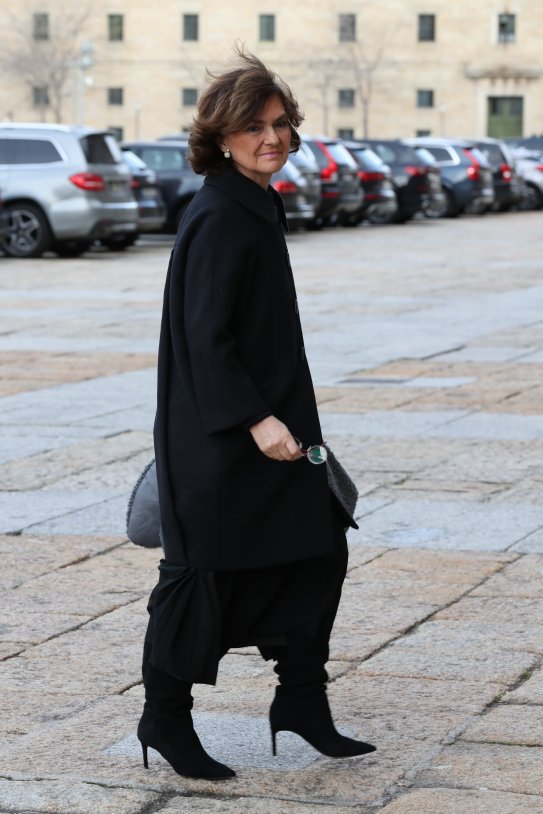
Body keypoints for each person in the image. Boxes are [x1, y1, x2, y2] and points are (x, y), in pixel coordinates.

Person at [137, 50, 376, 780]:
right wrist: (255, 420)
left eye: (279, 124)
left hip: (274, 424)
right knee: (199, 578)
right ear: (221, 136)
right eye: (253, 127)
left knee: (319, 549)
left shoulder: (254, 202)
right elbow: (204, 337)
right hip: (225, 438)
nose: (271, 138)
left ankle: (301, 701)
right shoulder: (218, 214)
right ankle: (164, 720)